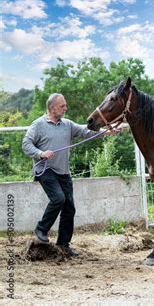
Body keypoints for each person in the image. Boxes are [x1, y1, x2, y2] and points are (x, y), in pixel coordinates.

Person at [22, 93, 119, 256]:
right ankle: (41, 229)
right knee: (58, 198)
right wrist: (40, 153)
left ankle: (63, 245)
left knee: (69, 207)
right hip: (45, 170)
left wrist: (107, 132)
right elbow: (26, 144)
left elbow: (85, 131)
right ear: (52, 108)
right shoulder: (38, 125)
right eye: (62, 106)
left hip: (63, 171)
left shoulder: (67, 124)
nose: (66, 108)